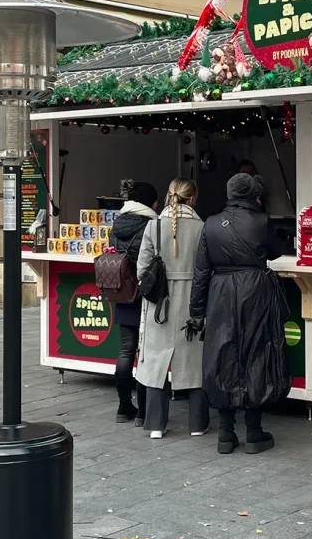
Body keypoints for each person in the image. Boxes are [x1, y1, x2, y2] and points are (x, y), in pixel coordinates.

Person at [190, 173, 290, 455]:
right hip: (255, 292)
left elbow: (201, 273)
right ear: (252, 194)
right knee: (257, 354)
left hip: (219, 293)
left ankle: (225, 432)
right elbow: (275, 251)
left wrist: (196, 313)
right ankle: (254, 431)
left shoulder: (209, 224)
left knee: (222, 355)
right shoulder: (261, 221)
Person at [135, 178, 208, 439]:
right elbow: (208, 268)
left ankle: (156, 424)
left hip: (160, 304)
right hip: (193, 301)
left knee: (157, 360)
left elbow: (142, 269)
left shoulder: (153, 226)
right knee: (195, 360)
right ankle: (198, 424)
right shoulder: (202, 227)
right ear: (192, 198)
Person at [107, 181, 158, 425]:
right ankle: (143, 413)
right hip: (146, 294)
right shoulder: (152, 225)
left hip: (122, 292)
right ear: (153, 203)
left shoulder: (115, 226)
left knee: (126, 349)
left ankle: (123, 406)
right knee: (146, 353)